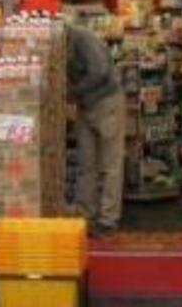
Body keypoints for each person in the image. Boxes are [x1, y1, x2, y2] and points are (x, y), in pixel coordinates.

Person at [66, 23, 126, 238]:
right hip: (86, 104)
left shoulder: (83, 38)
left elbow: (99, 71)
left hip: (107, 101)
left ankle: (108, 219)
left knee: (110, 164)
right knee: (86, 162)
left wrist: (73, 91)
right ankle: (85, 213)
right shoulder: (66, 41)